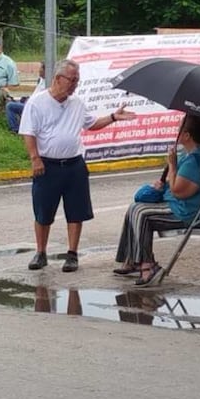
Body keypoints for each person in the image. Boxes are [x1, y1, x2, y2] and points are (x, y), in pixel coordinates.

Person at [19, 59, 136, 273]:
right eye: (72, 80)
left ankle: (72, 254)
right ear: (57, 79)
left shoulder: (77, 104)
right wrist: (35, 158)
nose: (74, 85)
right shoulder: (37, 103)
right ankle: (41, 252)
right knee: (43, 211)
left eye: (77, 81)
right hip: (48, 166)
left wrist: (113, 117)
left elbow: (92, 124)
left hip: (74, 165)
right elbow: (29, 132)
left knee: (76, 211)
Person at [113, 115, 200, 285]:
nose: (176, 133)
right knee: (134, 208)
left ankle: (147, 265)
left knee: (140, 212)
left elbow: (178, 191)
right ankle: (132, 259)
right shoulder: (195, 155)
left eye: (180, 130)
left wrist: (172, 166)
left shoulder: (196, 160)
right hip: (189, 209)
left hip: (189, 214)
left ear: (187, 135)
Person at [6, 62, 46, 133]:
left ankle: (15, 129)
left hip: (34, 108)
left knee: (10, 106)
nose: (39, 70)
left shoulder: (48, 84)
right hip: (29, 102)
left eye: (41, 68)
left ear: (46, 70)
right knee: (11, 100)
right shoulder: (41, 80)